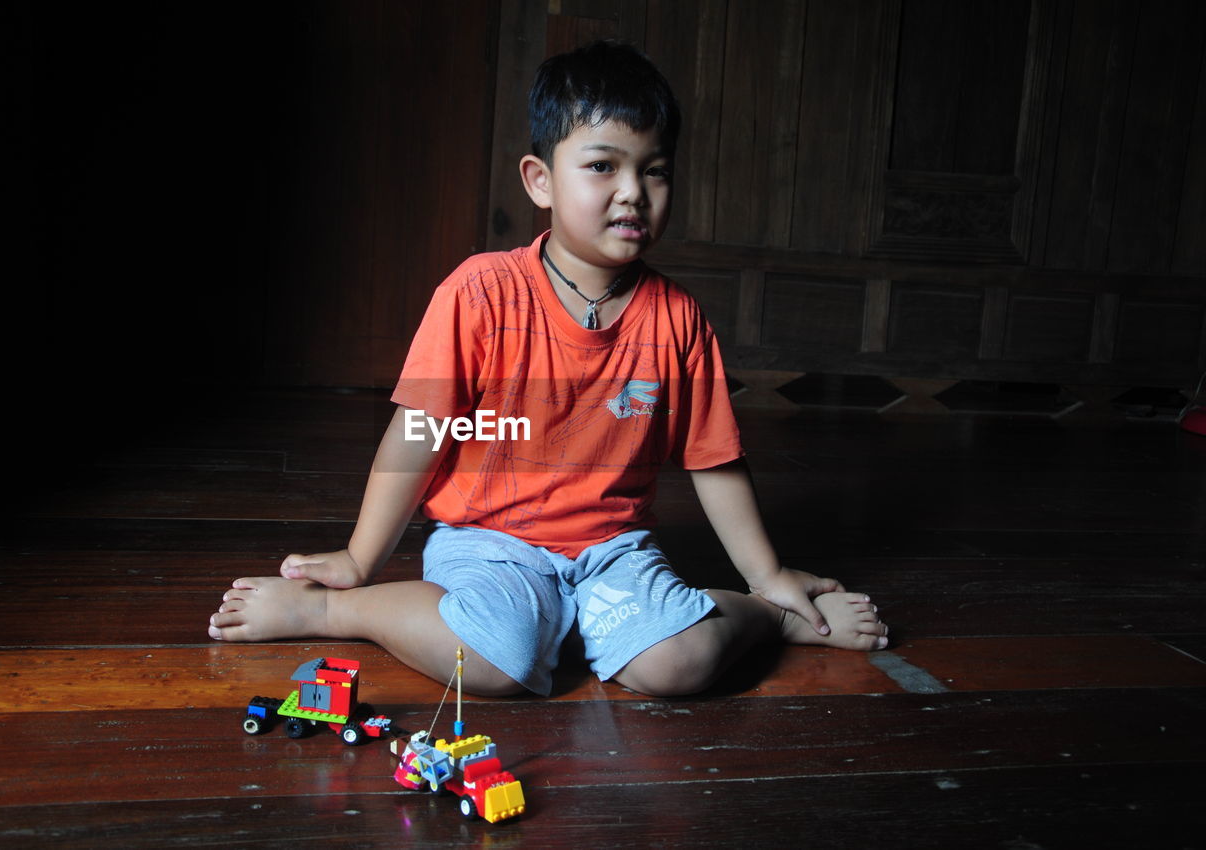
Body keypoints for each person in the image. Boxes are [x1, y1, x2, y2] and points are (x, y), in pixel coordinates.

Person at [208, 41, 887, 697]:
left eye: (655, 170)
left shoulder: (678, 319)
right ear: (540, 180)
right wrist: (358, 562)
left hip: (612, 549)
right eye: (602, 166)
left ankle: (770, 618)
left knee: (679, 665)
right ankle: (334, 615)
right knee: (494, 661)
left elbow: (714, 460)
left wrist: (767, 578)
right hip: (487, 544)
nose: (633, 192)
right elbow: (417, 435)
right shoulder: (480, 293)